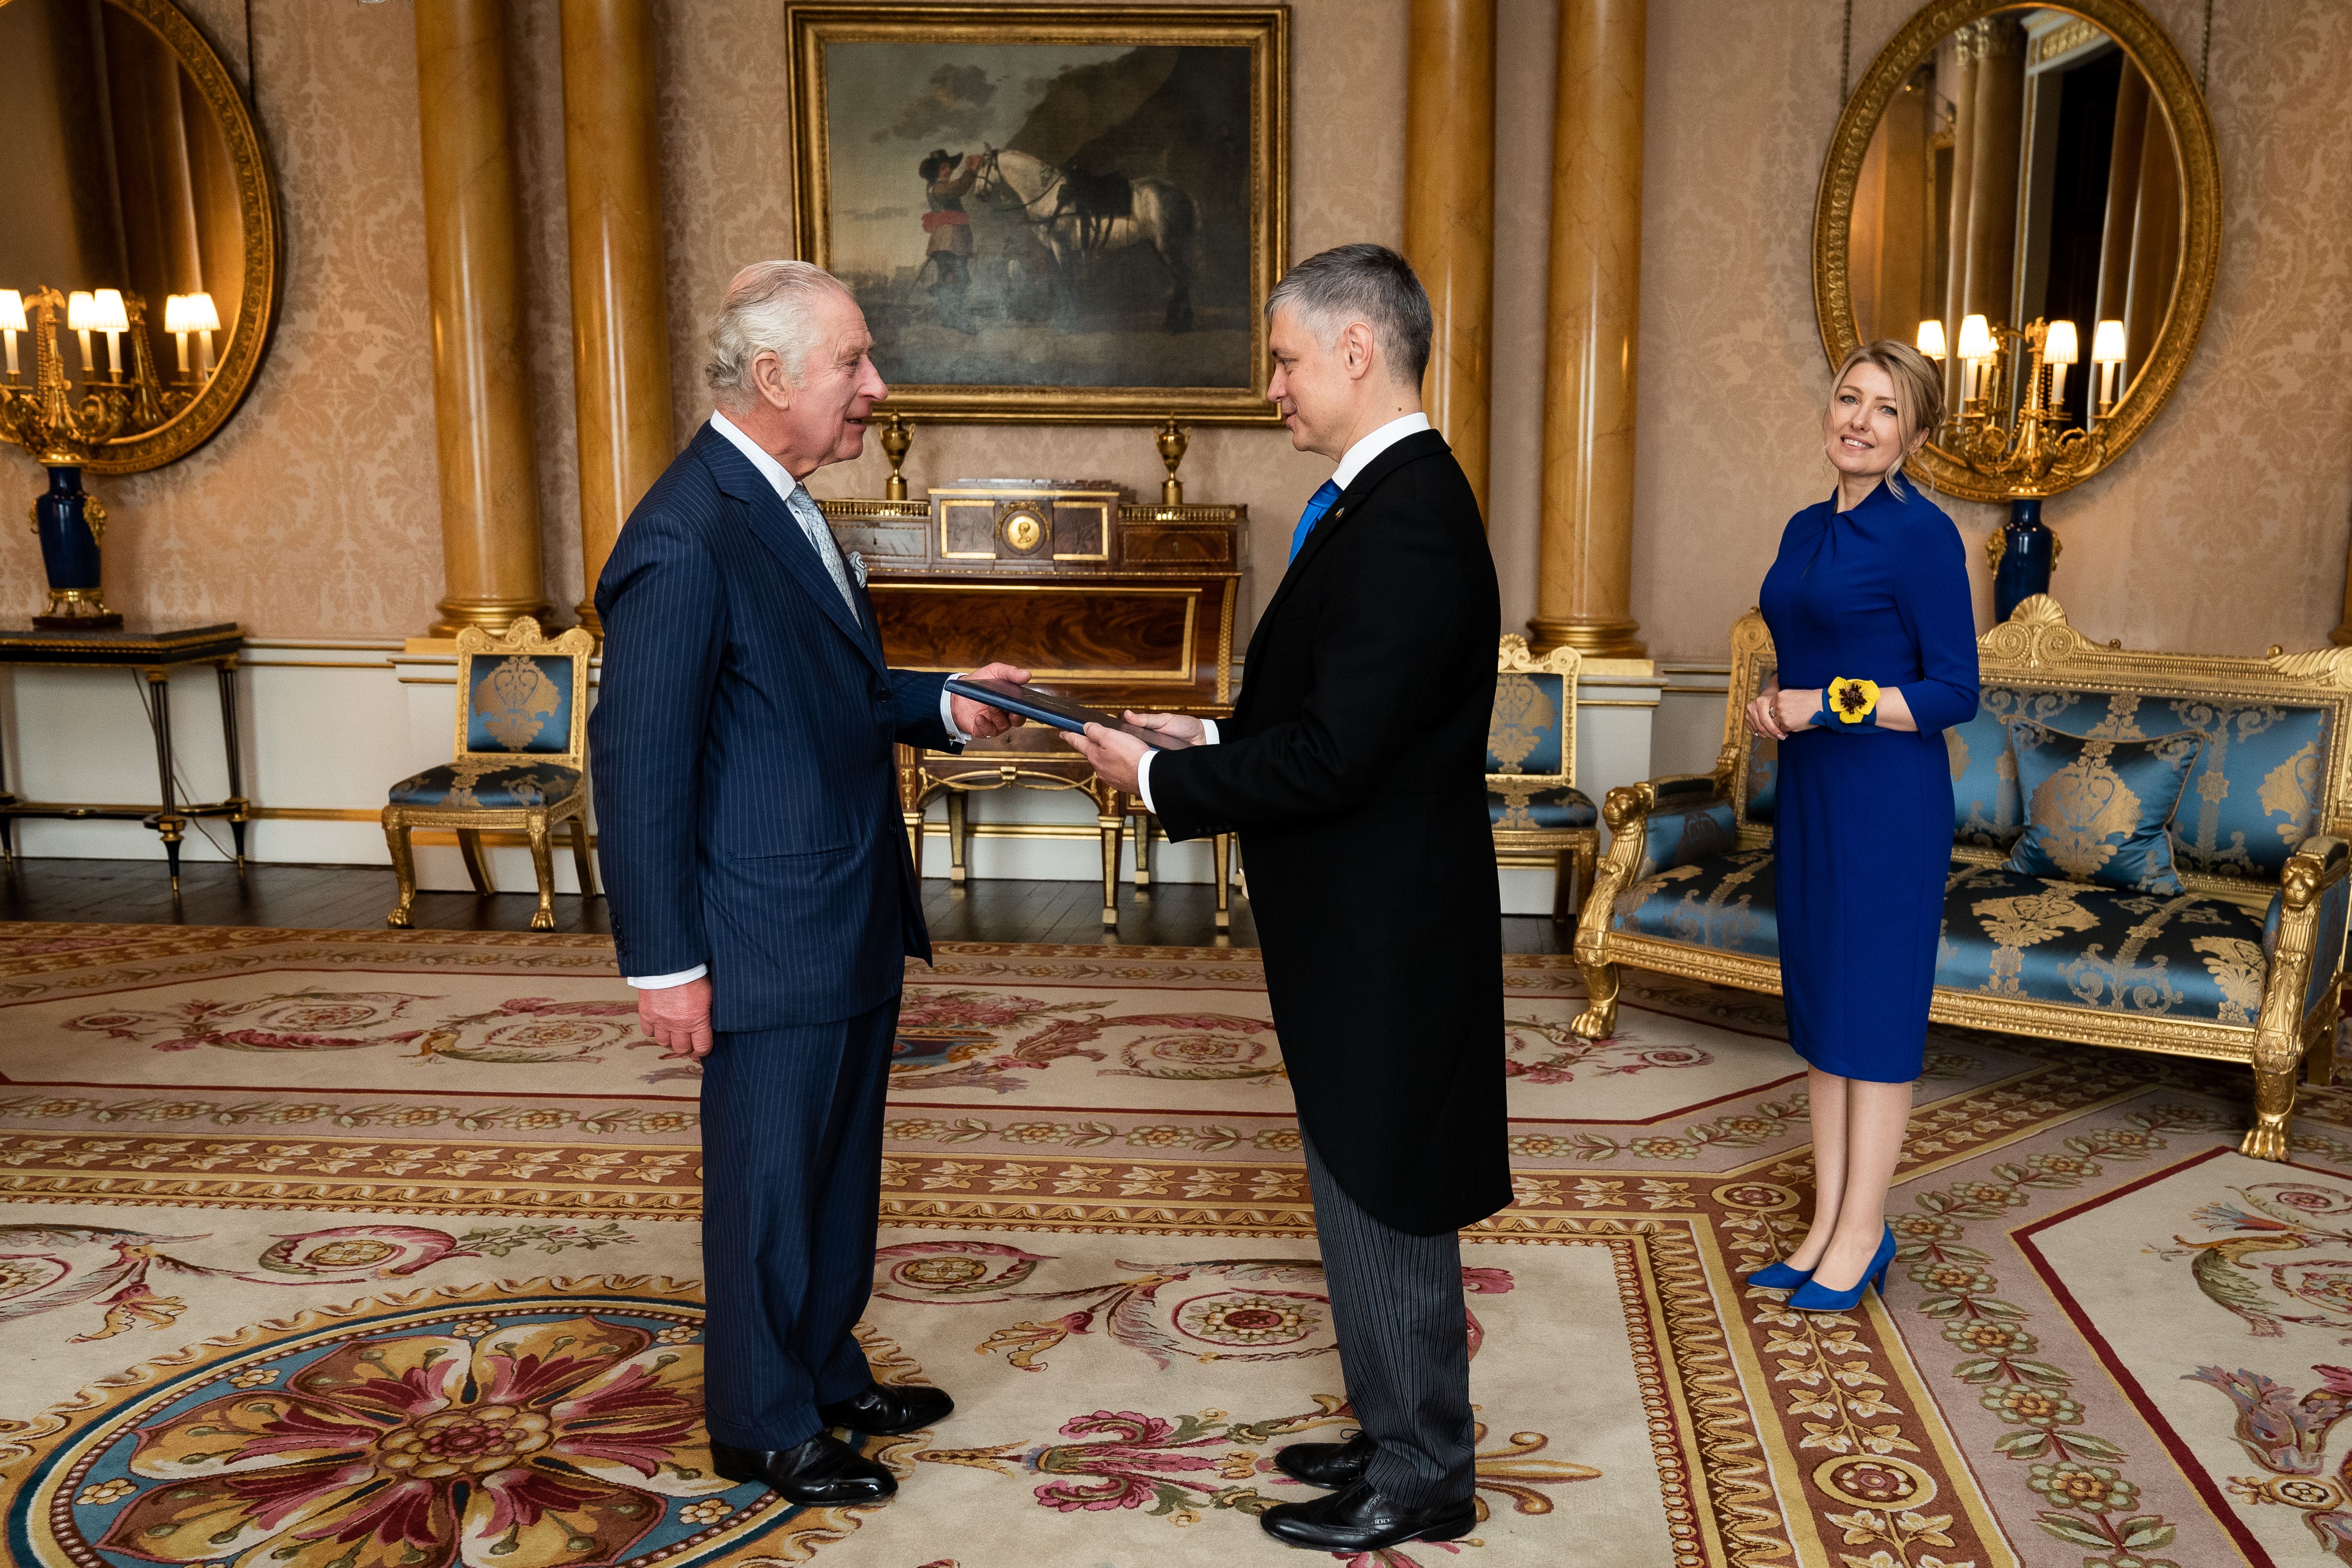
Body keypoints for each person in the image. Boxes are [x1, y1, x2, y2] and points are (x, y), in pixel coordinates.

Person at [1061, 243, 1504, 1554]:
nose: (1273, 385)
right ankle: (1391, 1423)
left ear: (1358, 351)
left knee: (1387, 1182)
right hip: (1358, 910)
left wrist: (1159, 784)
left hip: (1387, 924)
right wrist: (1206, 740)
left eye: (1286, 358)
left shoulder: (1411, 516)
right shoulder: (1376, 504)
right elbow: (1328, 715)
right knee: (1351, 1167)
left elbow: (1340, 755)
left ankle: (1426, 1467)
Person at [589, 260, 1030, 1506]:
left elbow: (821, 694)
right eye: (854, 362)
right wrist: (665, 961)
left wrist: (948, 701)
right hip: (759, 933)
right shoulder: (687, 532)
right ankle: (760, 1418)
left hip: (838, 909)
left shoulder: (778, 501)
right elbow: (640, 764)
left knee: (837, 1169)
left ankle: (826, 1373)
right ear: (773, 376)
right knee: (771, 1181)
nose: (876, 386)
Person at [1740, 340, 1978, 1312]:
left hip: (1888, 798)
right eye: (1850, 398)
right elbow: (1806, 648)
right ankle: (1826, 1219)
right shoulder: (1803, 529)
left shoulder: (1922, 536)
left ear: (1914, 435)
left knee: (1874, 1014)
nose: (1860, 420)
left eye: (1887, 410)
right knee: (1825, 1007)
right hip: (1813, 794)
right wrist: (1774, 701)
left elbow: (1952, 689)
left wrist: (1822, 703)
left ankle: (1865, 1228)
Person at [918, 147, 979, 334]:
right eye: (942, 168)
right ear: (934, 172)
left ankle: (948, 318)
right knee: (958, 278)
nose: (947, 171)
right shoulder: (938, 189)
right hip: (949, 241)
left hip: (949, 240)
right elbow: (960, 188)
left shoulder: (937, 187)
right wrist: (972, 169)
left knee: (948, 278)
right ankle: (959, 320)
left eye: (948, 167)